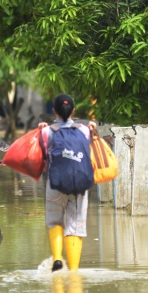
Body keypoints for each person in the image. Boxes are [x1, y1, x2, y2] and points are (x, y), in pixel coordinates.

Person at [39, 94, 96, 272]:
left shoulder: (47, 132)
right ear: (73, 111)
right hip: (79, 186)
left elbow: (41, 153)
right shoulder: (84, 131)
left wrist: (41, 129)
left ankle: (57, 258)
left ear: (54, 111)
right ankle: (73, 271)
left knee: (54, 220)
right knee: (75, 226)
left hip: (55, 184)